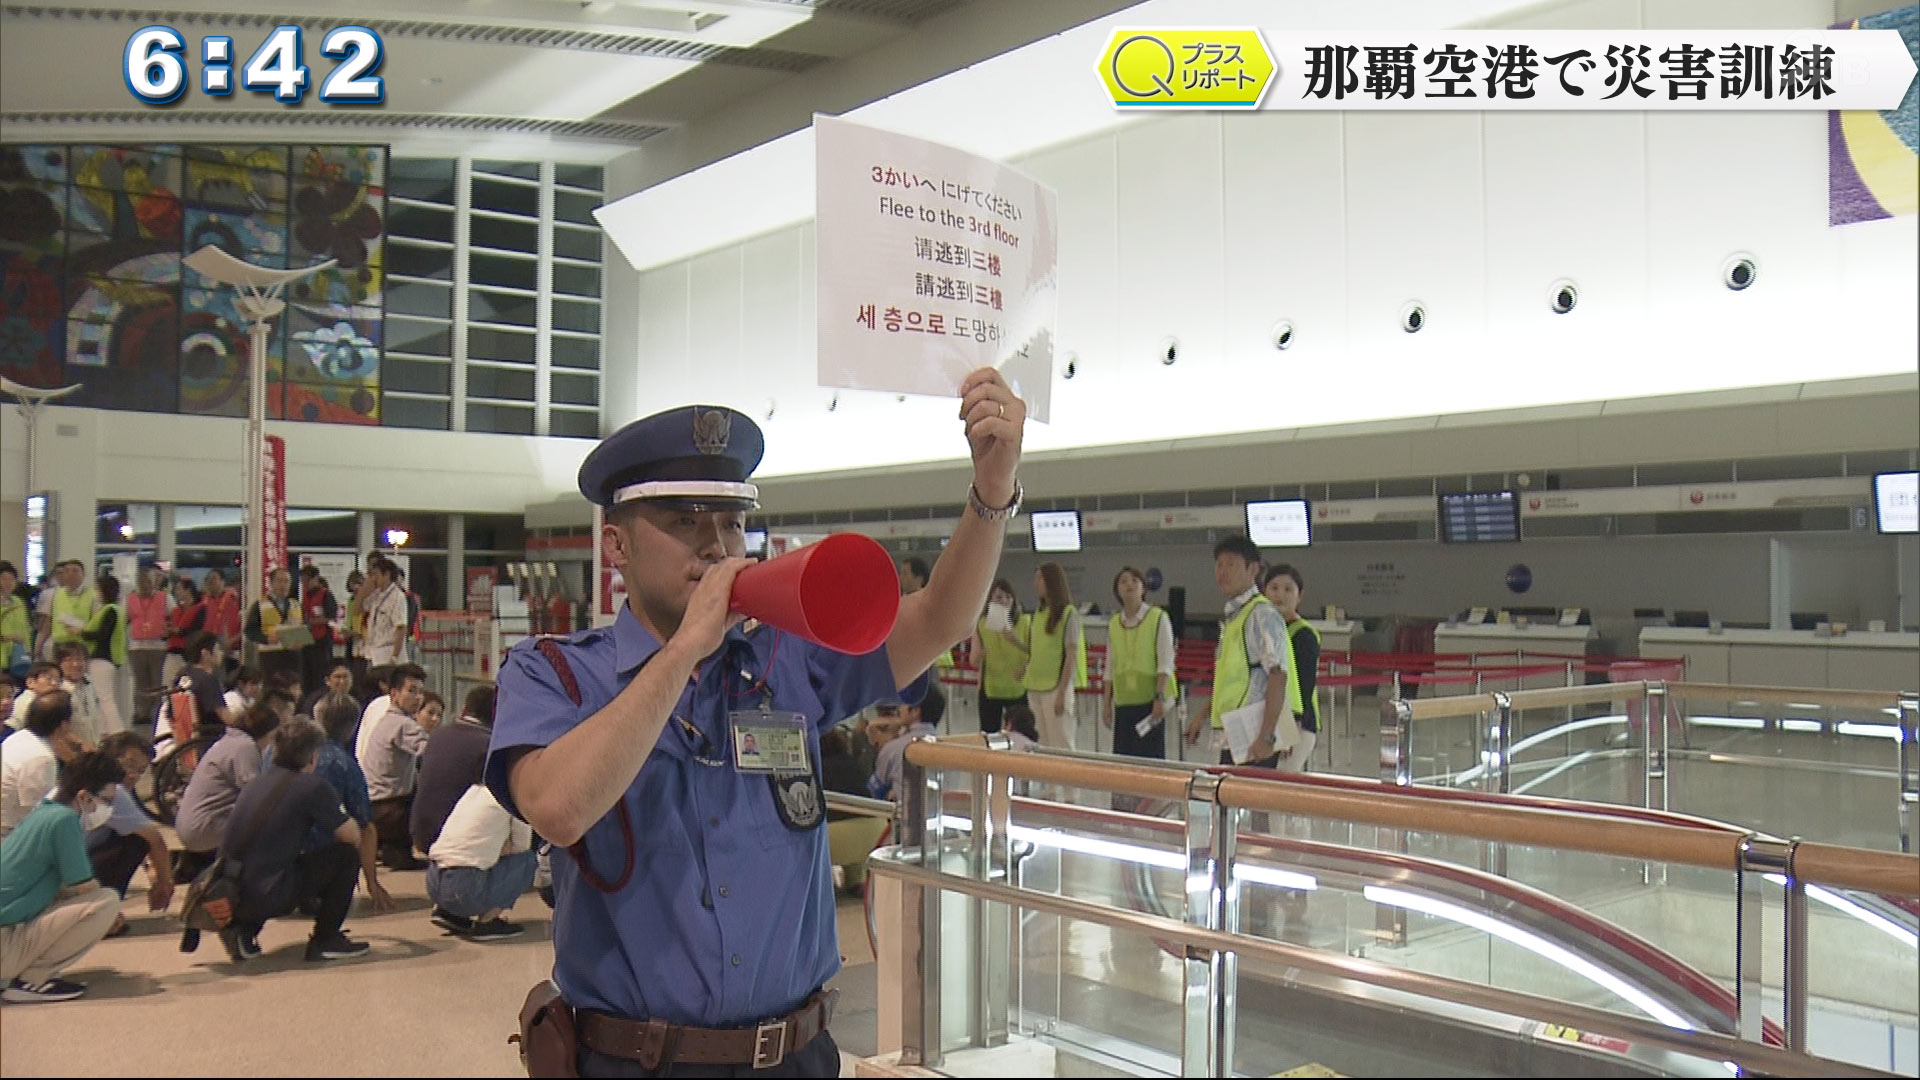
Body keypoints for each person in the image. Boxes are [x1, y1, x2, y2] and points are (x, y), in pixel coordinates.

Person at [489, 371, 1025, 1076]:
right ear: (616, 545)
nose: (716, 547)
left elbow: (936, 621)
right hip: (640, 1061)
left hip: (796, 1055)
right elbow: (558, 807)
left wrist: (991, 490)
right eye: (685, 522)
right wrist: (683, 652)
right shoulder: (554, 673)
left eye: (732, 521)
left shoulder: (780, 657)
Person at [216, 717, 371, 964]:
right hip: (267, 893)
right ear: (313, 756)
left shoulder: (258, 782)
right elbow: (350, 835)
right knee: (345, 857)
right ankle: (326, 939)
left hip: (229, 890)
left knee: (269, 860)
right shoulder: (311, 785)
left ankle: (244, 930)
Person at [0, 750, 127, 1003]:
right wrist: (114, 916)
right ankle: (32, 979)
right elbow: (84, 887)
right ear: (84, 796)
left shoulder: (43, 813)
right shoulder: (64, 820)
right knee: (106, 902)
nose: (106, 808)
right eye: (105, 800)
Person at [1184, 537, 1295, 771]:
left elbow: (1278, 676)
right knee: (1232, 801)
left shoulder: (1262, 615)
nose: (1222, 572)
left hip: (1255, 733)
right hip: (1234, 731)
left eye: (1231, 564)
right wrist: (1201, 715)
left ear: (1253, 569)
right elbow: (1232, 679)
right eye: (1219, 565)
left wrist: (1267, 737)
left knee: (1253, 802)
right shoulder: (1235, 617)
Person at [172, 692, 288, 878]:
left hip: (191, 823)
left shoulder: (229, 740)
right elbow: (256, 795)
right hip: (204, 828)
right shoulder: (245, 748)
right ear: (267, 732)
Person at [307, 694, 393, 915]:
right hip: (314, 860)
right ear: (353, 728)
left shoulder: (282, 751)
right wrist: (371, 881)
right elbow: (366, 827)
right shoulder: (343, 763)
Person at [425, 780, 536, 941]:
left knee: (473, 856)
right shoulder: (514, 796)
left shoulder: (474, 790)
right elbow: (521, 847)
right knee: (528, 860)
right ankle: (487, 923)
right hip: (465, 889)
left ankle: (448, 913)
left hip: (434, 881)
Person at [85, 732, 174, 928]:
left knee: (134, 835)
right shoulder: (114, 791)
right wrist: (164, 884)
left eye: (141, 770)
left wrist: (151, 868)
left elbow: (133, 827)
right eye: (130, 765)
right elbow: (155, 840)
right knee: (137, 842)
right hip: (76, 873)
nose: (134, 775)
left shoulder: (87, 777)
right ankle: (101, 913)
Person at [355, 662, 431, 870]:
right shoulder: (403, 725)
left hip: (372, 801)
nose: (418, 697)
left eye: (421, 692)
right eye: (411, 691)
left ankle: (390, 849)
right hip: (388, 807)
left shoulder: (386, 720)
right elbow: (431, 754)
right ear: (395, 693)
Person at [412, 684, 495, 864]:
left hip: (421, 832)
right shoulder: (488, 746)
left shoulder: (437, 736)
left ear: (464, 709)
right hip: (454, 839)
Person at [1104, 566, 1177, 761]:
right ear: (1117, 591)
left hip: (1150, 701)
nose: (1129, 584)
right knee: (1123, 759)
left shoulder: (1158, 617)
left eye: (1134, 581)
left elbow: (1165, 661)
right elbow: (1110, 666)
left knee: (1149, 758)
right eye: (1123, 581)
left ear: (1143, 588)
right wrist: (1106, 703)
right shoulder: (1114, 623)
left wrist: (1159, 696)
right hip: (1124, 701)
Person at [1023, 562, 1086, 752]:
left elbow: (1071, 655)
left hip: (1056, 688)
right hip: (1035, 686)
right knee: (1042, 744)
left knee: (1061, 744)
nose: (1036, 583)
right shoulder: (1038, 615)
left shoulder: (1068, 614)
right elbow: (1037, 650)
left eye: (1040, 578)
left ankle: (1067, 782)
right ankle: (1049, 783)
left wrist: (1062, 692)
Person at [1262, 564, 1319, 774]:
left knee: (1278, 790)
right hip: (1267, 722)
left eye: (1288, 589)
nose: (1280, 595)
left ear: (1299, 596)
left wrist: (1286, 734)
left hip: (1296, 726)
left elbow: (1303, 688)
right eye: (1274, 588)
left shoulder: (1304, 635)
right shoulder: (1264, 630)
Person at [1, 692, 78, 839]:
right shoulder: (41, 757)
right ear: (64, 725)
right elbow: (37, 815)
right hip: (10, 838)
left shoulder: (17, 738)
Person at [967, 578, 1030, 736]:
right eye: (999, 597)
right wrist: (981, 654)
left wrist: (1015, 641)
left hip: (1017, 688)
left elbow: (1034, 653)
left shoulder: (1024, 622)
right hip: (991, 689)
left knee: (1020, 734)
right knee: (989, 734)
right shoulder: (981, 625)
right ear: (989, 601)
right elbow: (973, 661)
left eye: (1008, 597)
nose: (1004, 602)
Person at [866, 683, 944, 801]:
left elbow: (874, 790)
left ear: (915, 711)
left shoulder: (894, 748)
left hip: (900, 814)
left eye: (903, 702)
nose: (899, 707)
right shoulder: (946, 746)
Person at [124, 568, 171, 730]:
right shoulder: (129, 599)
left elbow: (173, 616)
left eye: (149, 582)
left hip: (158, 646)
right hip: (136, 646)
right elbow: (125, 619)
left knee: (157, 681)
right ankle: (141, 713)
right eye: (142, 582)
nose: (145, 586)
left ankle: (157, 712)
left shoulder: (165, 598)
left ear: (154, 583)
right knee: (141, 682)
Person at [245, 568, 302, 690]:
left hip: (293, 656)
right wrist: (266, 639)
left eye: (287, 581)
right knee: (271, 690)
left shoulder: (295, 604)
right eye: (280, 581)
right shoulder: (260, 605)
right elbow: (250, 631)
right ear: (271, 583)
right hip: (270, 655)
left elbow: (303, 626)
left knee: (292, 689)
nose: (283, 585)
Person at [56, 642, 115, 749]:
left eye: (80, 659)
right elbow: (61, 731)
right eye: (69, 660)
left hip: (94, 746)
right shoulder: (59, 692)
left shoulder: (89, 683)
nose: (76, 664)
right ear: (59, 664)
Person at [361, 558, 411, 668]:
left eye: (376, 574)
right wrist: (364, 588)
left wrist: (394, 657)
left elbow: (401, 627)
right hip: (373, 652)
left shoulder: (397, 597)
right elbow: (359, 609)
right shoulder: (376, 594)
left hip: (388, 651)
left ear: (386, 574)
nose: (373, 578)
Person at [297, 566, 339, 694]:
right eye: (303, 581)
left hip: (322, 642)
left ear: (316, 579)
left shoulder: (326, 595)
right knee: (307, 676)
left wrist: (312, 621)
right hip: (306, 641)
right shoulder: (305, 596)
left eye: (308, 580)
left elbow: (332, 618)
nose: (305, 584)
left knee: (320, 675)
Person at [44, 560, 99, 657]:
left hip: (81, 644)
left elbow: (97, 622)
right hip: (59, 644)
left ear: (83, 574)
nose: (70, 574)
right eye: (67, 571)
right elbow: (49, 620)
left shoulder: (93, 595)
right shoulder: (57, 594)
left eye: (75, 571)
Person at [161, 576, 206, 693]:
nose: (176, 592)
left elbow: (196, 630)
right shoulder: (175, 611)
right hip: (173, 652)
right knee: (168, 684)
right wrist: (167, 632)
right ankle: (168, 708)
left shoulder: (200, 609)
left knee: (188, 686)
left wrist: (178, 631)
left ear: (188, 590)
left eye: (179, 589)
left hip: (189, 654)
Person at [200, 570, 244, 672]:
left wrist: (232, 641)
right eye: (208, 579)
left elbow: (245, 626)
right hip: (208, 645)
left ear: (223, 581)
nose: (211, 582)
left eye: (214, 578)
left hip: (229, 647)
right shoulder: (204, 601)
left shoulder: (235, 599)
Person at [9, 662, 61, 732]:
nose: (54, 683)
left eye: (58, 680)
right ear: (30, 682)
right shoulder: (26, 702)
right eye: (49, 678)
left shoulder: (44, 701)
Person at [1, 561, 31, 679]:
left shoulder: (18, 601)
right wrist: (7, 637)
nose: (8, 583)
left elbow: (25, 628)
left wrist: (28, 650)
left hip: (17, 657)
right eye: (3, 579)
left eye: (11, 579)